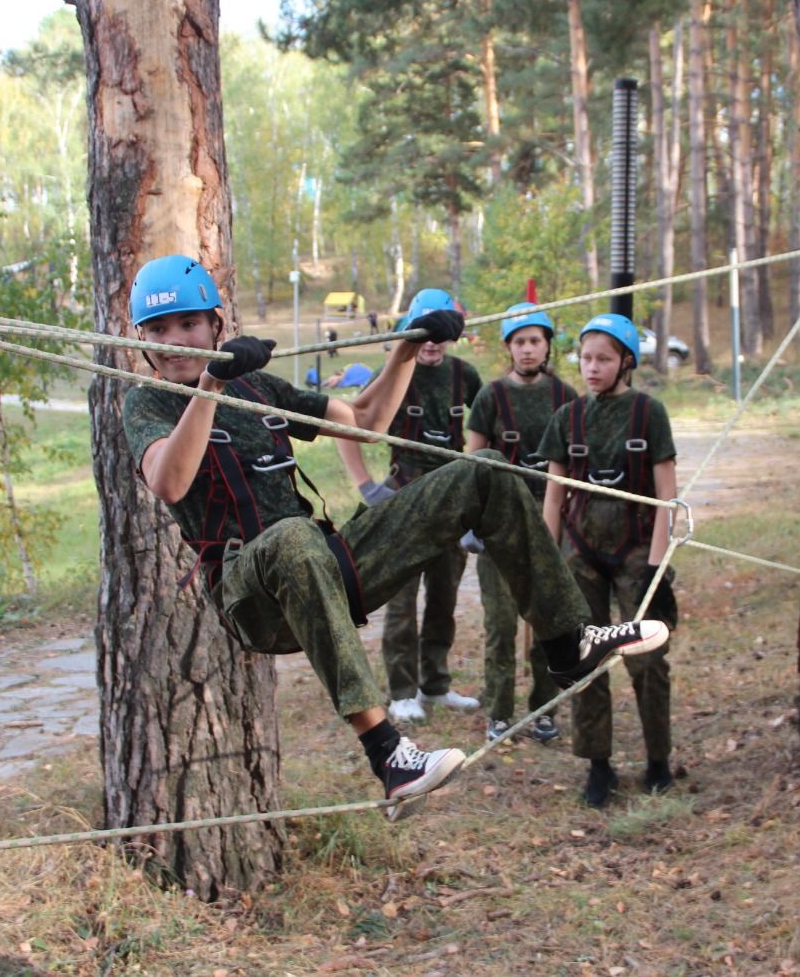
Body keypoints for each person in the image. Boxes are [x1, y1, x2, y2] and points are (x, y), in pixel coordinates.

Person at [121, 256, 669, 819]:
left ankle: (567, 641)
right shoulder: (146, 401)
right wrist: (212, 383)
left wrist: (407, 348)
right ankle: (390, 757)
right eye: (159, 330)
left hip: (325, 565)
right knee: (291, 538)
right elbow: (169, 481)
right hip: (252, 595)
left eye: (188, 325)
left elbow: (364, 419)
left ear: (216, 323)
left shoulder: (257, 387)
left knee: (482, 469)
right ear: (141, 340)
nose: (175, 341)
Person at [538, 313, 680, 808]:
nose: (592, 368)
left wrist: (657, 572)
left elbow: (668, 496)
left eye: (603, 359)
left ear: (625, 362)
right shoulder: (568, 419)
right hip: (580, 554)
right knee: (585, 659)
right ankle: (598, 766)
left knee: (647, 662)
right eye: (586, 358)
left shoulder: (649, 414)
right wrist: (547, 566)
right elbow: (554, 497)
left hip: (638, 553)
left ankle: (659, 760)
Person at [464, 302, 578, 743]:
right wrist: (470, 519)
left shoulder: (564, 397)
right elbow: (471, 459)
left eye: (535, 341)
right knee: (501, 624)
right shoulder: (491, 397)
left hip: (552, 523)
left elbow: (575, 459)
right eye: (519, 342)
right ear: (509, 348)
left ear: (547, 346)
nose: (528, 350)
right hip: (499, 525)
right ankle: (499, 712)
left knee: (550, 619)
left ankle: (545, 709)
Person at [374, 289, 484, 724]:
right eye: (423, 332)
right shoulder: (395, 372)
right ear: (409, 334)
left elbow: (491, 423)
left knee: (443, 597)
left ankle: (435, 684)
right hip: (404, 500)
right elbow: (356, 419)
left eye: (439, 333)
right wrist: (367, 486)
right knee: (401, 601)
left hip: (451, 503)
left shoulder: (464, 376)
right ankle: (402, 691)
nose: (432, 342)